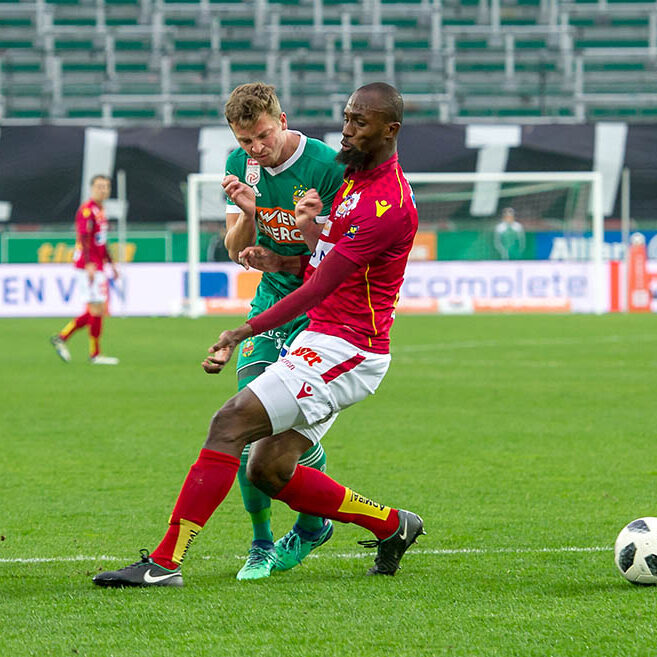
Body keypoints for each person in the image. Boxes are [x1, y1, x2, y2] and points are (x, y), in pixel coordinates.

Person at [93, 82, 424, 588]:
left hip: (348, 345)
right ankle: (393, 525)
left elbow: (319, 284)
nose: (347, 129)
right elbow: (317, 253)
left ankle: (165, 563)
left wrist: (240, 330)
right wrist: (308, 228)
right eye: (347, 117)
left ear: (390, 130)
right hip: (324, 332)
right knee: (266, 468)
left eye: (360, 122)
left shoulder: (385, 203)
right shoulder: (356, 181)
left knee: (229, 423)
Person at [219, 82, 345, 581]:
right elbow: (235, 248)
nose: (256, 149)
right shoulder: (240, 165)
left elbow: (334, 263)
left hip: (322, 315)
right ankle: (261, 543)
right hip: (270, 305)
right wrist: (249, 215)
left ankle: (312, 524)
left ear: (284, 120)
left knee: (283, 437)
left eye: (263, 136)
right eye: (245, 140)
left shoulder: (327, 168)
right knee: (247, 430)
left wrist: (290, 252)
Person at [50, 174, 120, 365]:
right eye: (99, 186)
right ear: (91, 188)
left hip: (98, 265)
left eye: (106, 187)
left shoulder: (101, 211)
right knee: (96, 309)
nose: (103, 190)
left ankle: (67, 340)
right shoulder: (87, 211)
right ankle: (92, 353)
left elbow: (101, 242)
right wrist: (89, 263)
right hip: (87, 266)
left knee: (96, 310)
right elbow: (84, 238)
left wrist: (111, 263)